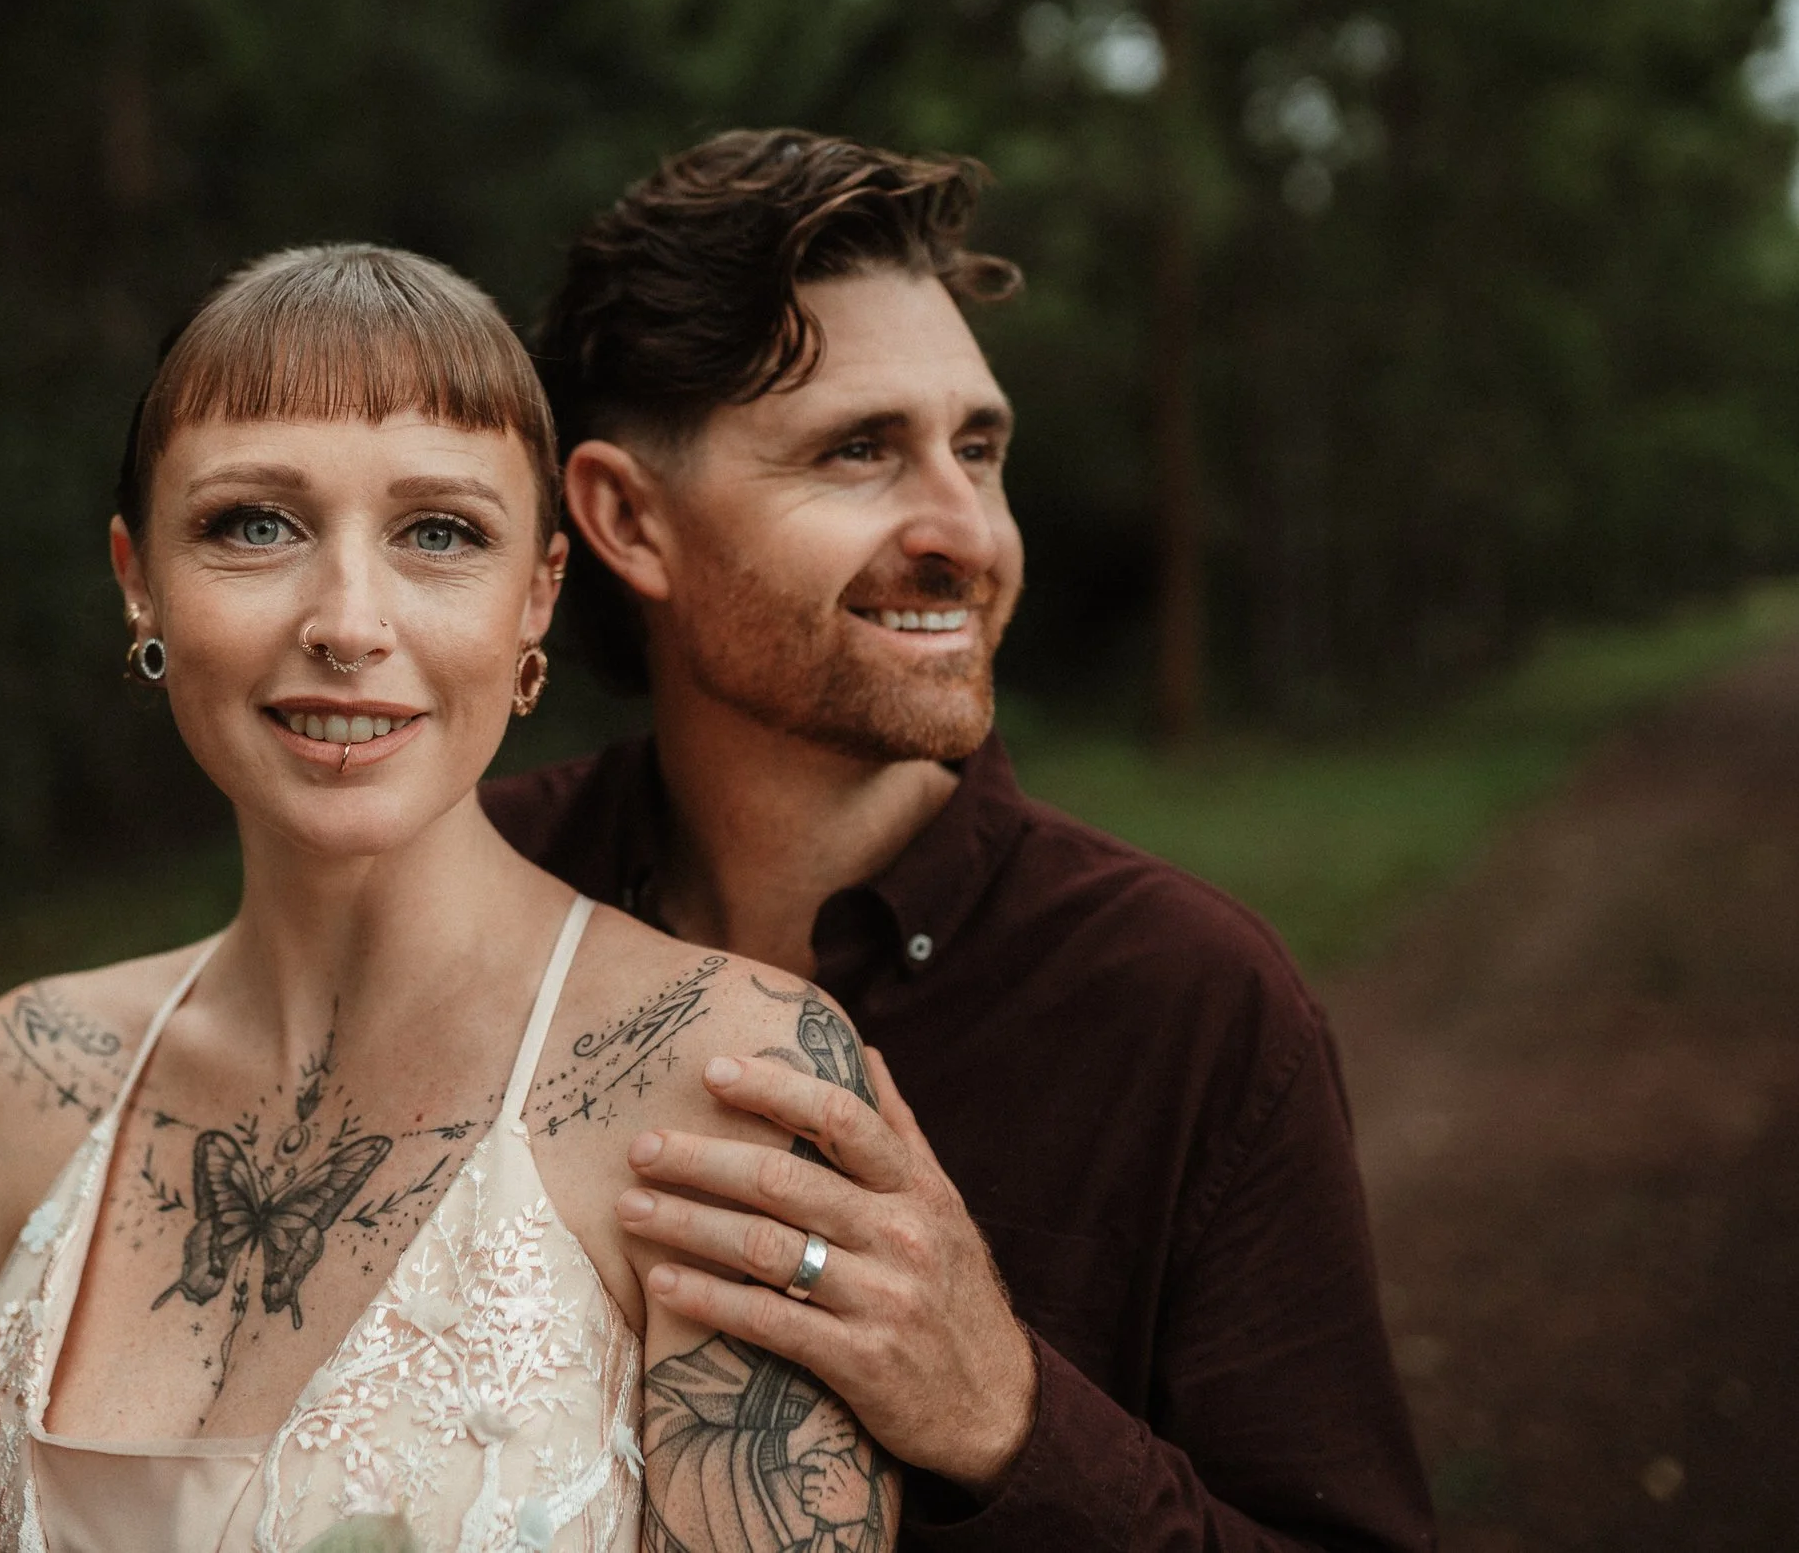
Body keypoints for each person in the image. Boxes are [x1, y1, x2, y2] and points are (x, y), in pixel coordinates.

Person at [483, 132, 1437, 1552]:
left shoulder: (1191, 1002)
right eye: (860, 450)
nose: (966, 532)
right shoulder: (470, 898)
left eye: (977, 449)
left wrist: (1009, 1417)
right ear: (628, 517)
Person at [0, 244, 907, 1553]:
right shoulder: (21, 1077)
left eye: (438, 532)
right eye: (253, 524)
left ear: (537, 594)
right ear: (137, 575)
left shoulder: (728, 1076)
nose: (347, 618)